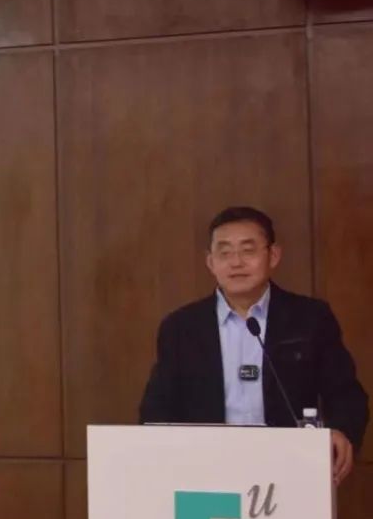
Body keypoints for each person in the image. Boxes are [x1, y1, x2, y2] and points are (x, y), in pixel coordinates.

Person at [140, 206, 368, 484]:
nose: (236, 262)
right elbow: (157, 407)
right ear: (210, 262)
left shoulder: (310, 318)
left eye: (248, 250)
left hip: (290, 469)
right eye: (225, 252)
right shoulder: (181, 327)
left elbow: (346, 394)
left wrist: (341, 431)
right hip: (205, 471)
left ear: (273, 255)